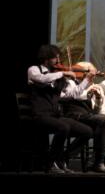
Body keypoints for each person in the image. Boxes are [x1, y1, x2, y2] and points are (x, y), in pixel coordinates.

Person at [27, 44, 92, 173]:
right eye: (55, 58)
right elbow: (42, 78)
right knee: (63, 127)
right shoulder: (34, 70)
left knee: (87, 131)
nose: (58, 61)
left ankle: (61, 159)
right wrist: (62, 73)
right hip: (39, 116)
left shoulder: (58, 76)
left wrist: (86, 81)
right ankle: (50, 163)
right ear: (46, 58)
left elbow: (70, 95)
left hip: (54, 116)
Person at [60, 61, 105, 173]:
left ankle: (93, 161)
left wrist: (98, 98)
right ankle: (98, 162)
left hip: (86, 116)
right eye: (90, 74)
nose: (93, 77)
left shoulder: (91, 86)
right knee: (102, 120)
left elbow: (96, 110)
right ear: (84, 73)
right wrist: (88, 91)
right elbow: (74, 96)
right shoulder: (71, 82)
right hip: (74, 115)